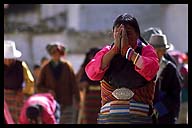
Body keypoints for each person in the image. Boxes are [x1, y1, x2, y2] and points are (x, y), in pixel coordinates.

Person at [85, 13, 159, 124]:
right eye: (118, 33)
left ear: (137, 34)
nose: (123, 37)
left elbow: (151, 70)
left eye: (128, 33)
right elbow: (92, 73)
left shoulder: (146, 50)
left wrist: (129, 53)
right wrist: (114, 51)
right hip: (110, 118)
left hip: (139, 118)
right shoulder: (107, 52)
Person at [36, 42, 80, 124]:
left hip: (66, 102)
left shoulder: (67, 66)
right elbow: (39, 86)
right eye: (54, 53)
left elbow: (74, 84)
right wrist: (47, 91)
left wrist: (78, 100)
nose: (56, 55)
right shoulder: (45, 68)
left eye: (58, 53)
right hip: (51, 103)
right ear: (51, 54)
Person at [149, 33, 182, 124]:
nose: (159, 53)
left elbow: (175, 95)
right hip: (144, 113)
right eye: (156, 50)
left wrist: (159, 108)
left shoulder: (170, 68)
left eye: (161, 50)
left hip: (164, 116)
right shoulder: (143, 65)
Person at [4, 40, 35, 123]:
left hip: (18, 96)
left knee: (20, 119)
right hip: (4, 97)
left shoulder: (21, 65)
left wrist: (23, 92)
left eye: (10, 59)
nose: (8, 61)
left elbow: (30, 81)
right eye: (6, 58)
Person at [76, 47, 101, 124]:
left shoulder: (103, 66)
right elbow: (78, 82)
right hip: (89, 97)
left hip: (101, 97)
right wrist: (83, 84)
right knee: (88, 118)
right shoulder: (85, 67)